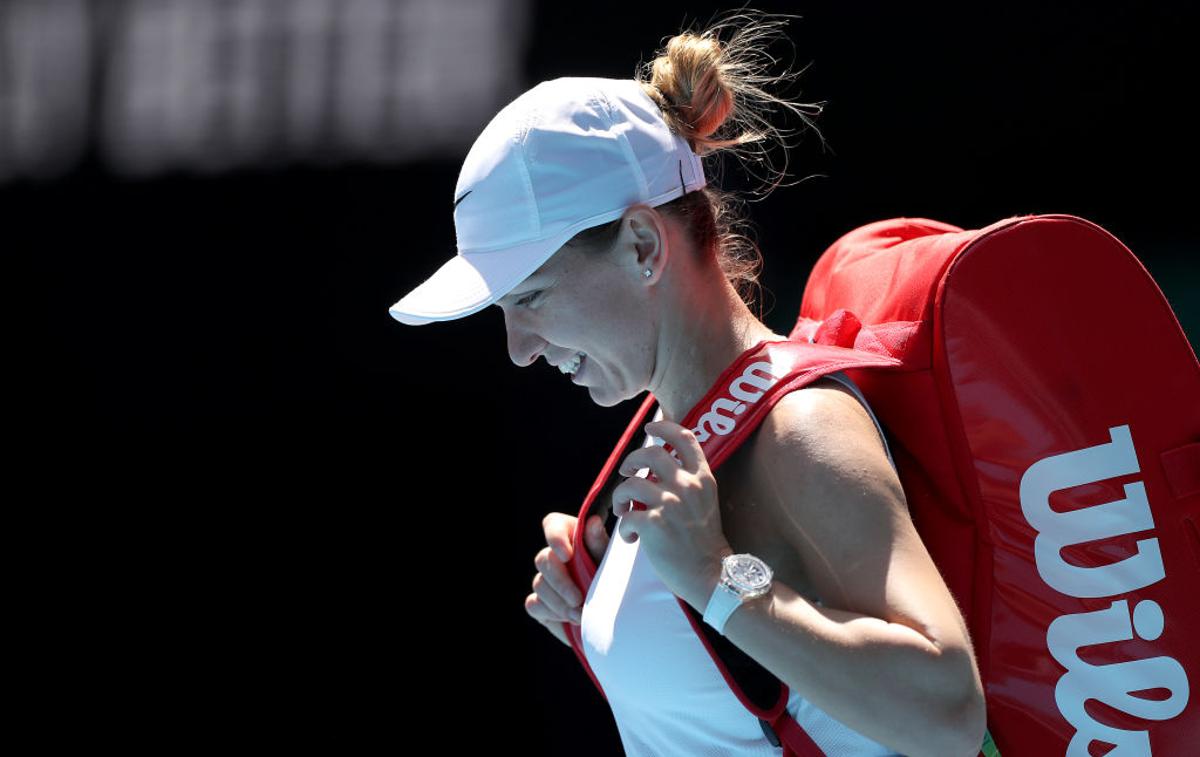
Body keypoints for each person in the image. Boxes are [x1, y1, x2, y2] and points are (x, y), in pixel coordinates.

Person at [387, 9, 986, 756]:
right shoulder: (676, 433)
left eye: (530, 299)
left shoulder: (801, 426)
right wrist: (596, 605)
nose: (519, 349)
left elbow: (949, 712)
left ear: (642, 244)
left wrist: (711, 579)